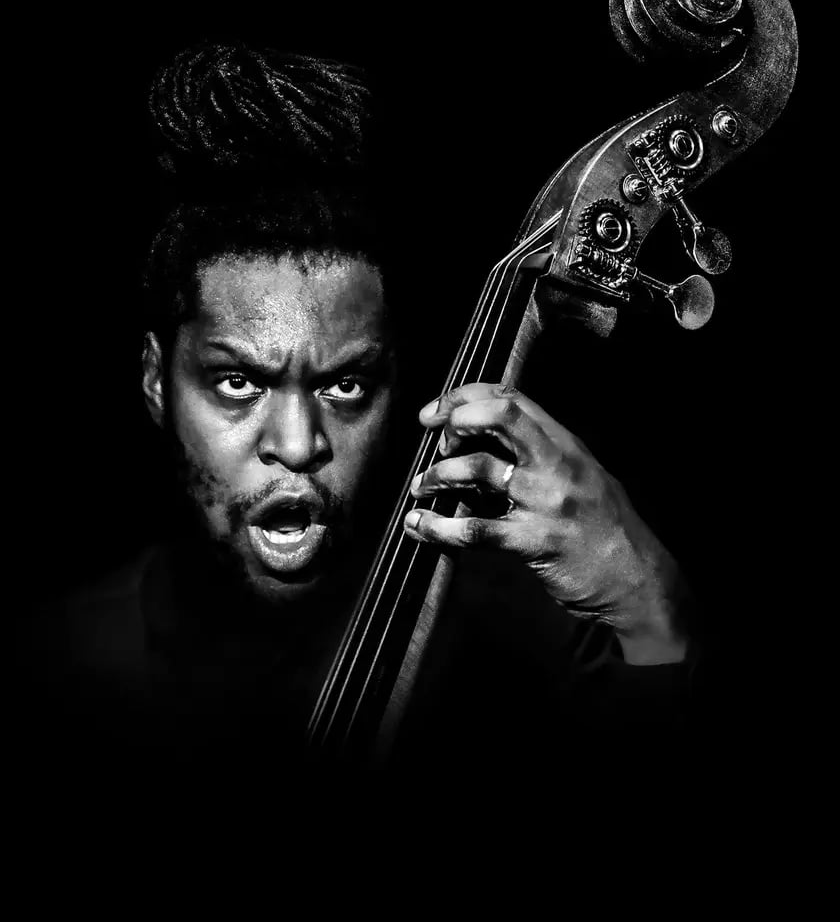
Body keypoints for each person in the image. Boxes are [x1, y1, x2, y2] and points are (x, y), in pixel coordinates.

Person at [16, 42, 695, 780]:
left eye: (345, 387)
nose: (299, 444)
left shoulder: (526, 634)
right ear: (156, 382)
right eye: (238, 383)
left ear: (396, 385)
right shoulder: (60, 668)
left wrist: (648, 600)